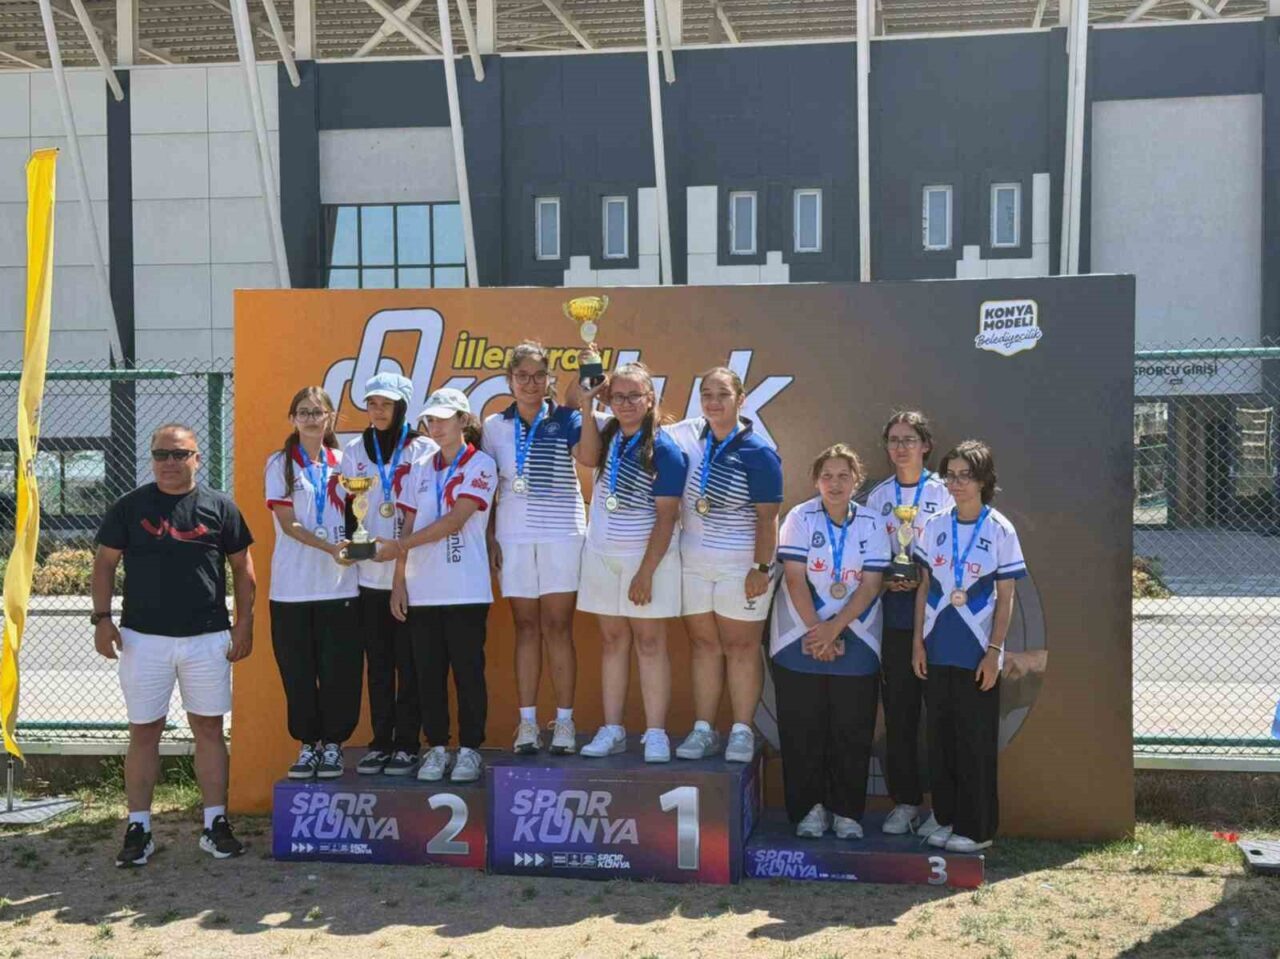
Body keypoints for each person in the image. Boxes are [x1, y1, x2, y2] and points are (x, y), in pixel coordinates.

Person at [92, 423, 255, 866]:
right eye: (161, 454)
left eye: (179, 454)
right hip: (143, 641)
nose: (169, 462)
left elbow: (243, 570)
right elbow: (104, 564)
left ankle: (215, 824)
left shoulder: (220, 507)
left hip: (207, 639)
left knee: (209, 729)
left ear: (197, 458)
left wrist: (244, 625)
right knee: (145, 731)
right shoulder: (130, 507)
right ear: (152, 459)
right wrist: (102, 619)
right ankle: (139, 828)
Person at [912, 440, 1027, 853]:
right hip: (937, 648)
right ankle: (946, 817)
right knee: (941, 741)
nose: (957, 483)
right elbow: (924, 587)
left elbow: (1006, 596)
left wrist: (994, 652)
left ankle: (977, 829)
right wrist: (917, 645)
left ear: (983, 480)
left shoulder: (1000, 529)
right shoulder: (934, 525)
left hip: (976, 652)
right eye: (951, 476)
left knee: (974, 743)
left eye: (966, 476)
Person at [772, 445, 890, 839]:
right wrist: (817, 631)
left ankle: (847, 812)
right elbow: (794, 578)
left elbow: (871, 585)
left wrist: (833, 629)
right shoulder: (799, 517)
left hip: (857, 635)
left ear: (857, 480)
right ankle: (809, 810)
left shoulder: (873, 522)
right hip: (798, 635)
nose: (835, 484)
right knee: (802, 728)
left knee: (851, 729)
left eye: (843, 476)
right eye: (827, 476)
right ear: (815, 481)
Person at [572, 363, 688, 763]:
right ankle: (613, 729)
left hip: (648, 560)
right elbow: (586, 457)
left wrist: (646, 572)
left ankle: (655, 733)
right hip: (602, 555)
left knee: (651, 643)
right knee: (612, 642)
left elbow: (667, 517)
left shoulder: (665, 449)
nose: (625, 404)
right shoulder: (605, 433)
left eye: (634, 396)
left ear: (650, 399)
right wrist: (588, 397)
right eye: (618, 396)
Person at [668, 368, 782, 763]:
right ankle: (704, 730)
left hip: (742, 567)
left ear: (741, 399)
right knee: (704, 646)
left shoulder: (759, 451)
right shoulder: (685, 437)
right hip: (693, 563)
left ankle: (741, 731)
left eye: (723, 394)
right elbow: (635, 425)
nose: (714, 402)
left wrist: (761, 568)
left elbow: (768, 518)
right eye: (707, 394)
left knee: (742, 647)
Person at [388, 388, 497, 783]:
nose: (435, 426)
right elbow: (407, 524)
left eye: (443, 419)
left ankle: (469, 750)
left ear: (463, 420)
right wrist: (398, 581)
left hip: (466, 589)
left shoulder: (481, 464)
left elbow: (455, 521)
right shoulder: (419, 466)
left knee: (468, 673)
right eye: (430, 419)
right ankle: (435, 747)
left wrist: (399, 548)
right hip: (423, 590)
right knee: (427, 675)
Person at [482, 342, 584, 755]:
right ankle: (527, 723)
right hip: (515, 536)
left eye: (539, 375)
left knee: (558, 627)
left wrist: (588, 376)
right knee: (525, 627)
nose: (530, 383)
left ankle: (565, 723)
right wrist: (490, 536)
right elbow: (487, 488)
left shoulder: (568, 418)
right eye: (522, 376)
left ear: (549, 380)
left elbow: (590, 455)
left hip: (562, 534)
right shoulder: (493, 426)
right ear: (509, 380)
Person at [341, 372, 437, 776]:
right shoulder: (353, 450)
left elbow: (429, 510)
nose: (378, 411)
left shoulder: (424, 448)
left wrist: (399, 552)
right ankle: (381, 741)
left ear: (402, 407)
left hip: (414, 575)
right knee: (378, 664)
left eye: (387, 404)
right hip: (369, 577)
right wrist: (361, 548)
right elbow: (351, 510)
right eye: (372, 403)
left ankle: (407, 744)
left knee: (410, 664)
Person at [264, 387, 361, 780]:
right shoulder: (279, 464)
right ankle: (308, 746)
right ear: (292, 418)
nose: (310, 419)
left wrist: (357, 547)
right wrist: (329, 548)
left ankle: (334, 746)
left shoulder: (347, 462)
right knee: (298, 673)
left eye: (317, 412)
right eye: (302, 412)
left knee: (340, 673)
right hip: (292, 589)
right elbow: (288, 524)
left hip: (341, 588)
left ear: (330, 417)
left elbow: (360, 517)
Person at [863, 411, 952, 835]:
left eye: (909, 439)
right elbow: (866, 555)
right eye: (894, 440)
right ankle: (906, 801)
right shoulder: (878, 497)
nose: (901, 447)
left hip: (940, 621)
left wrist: (925, 576)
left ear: (926, 445)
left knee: (942, 717)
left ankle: (945, 806)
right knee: (900, 714)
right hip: (894, 619)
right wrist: (886, 579)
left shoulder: (945, 491)